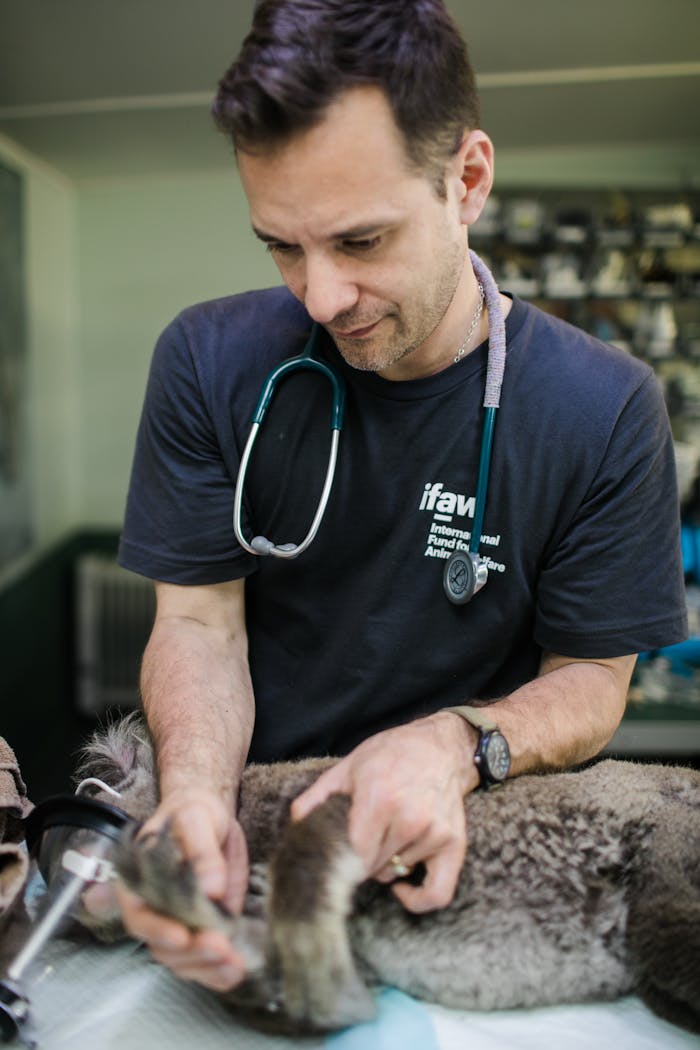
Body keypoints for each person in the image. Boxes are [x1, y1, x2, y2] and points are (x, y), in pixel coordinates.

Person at [114, 0, 687, 993]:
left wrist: (455, 745)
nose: (321, 297)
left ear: (466, 180)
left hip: (476, 841)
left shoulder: (602, 407)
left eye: (360, 242)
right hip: (260, 832)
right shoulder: (207, 360)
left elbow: (593, 681)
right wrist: (196, 796)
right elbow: (201, 628)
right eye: (281, 247)